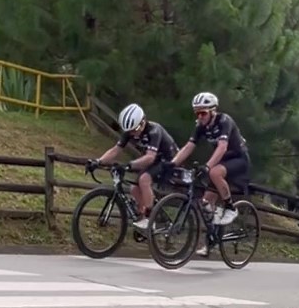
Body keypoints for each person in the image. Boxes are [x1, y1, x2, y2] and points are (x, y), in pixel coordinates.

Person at [90, 103, 177, 231]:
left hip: (169, 160)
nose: (133, 133)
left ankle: (150, 218)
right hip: (155, 160)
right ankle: (144, 217)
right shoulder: (131, 131)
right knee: (134, 189)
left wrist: (128, 165)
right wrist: (98, 161)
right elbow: (116, 150)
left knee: (144, 180)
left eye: (135, 129)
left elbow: (150, 157)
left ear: (143, 122)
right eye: (129, 131)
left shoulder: (154, 130)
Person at [171, 91, 248, 226]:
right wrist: (172, 164)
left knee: (214, 172)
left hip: (238, 159)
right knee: (206, 204)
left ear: (213, 111)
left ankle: (230, 208)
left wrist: (207, 166)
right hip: (222, 162)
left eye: (203, 113)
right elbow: (189, 147)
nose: (200, 117)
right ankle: (212, 239)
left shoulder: (224, 121)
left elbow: (222, 147)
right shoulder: (200, 126)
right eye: (197, 113)